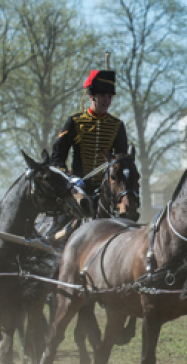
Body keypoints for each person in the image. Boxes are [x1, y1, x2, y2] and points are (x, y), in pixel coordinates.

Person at [48, 69, 129, 239]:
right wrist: (67, 178)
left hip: (106, 188)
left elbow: (122, 160)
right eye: (103, 96)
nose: (107, 100)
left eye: (110, 97)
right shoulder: (75, 121)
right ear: (92, 96)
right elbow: (58, 155)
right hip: (77, 186)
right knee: (64, 217)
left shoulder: (117, 126)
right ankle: (52, 238)